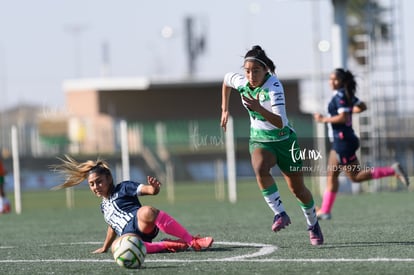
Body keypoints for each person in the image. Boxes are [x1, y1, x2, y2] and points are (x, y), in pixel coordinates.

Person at [220, 45, 323, 246]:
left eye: (256, 71)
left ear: (266, 69)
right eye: (247, 71)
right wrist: (224, 109)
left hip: (285, 142)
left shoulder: (274, 86)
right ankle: (280, 214)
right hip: (260, 141)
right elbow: (226, 80)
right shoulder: (242, 82)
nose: (251, 75)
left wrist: (258, 107)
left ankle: (313, 224)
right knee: (259, 168)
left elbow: (280, 122)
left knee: (298, 189)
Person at [51, 155, 214, 254]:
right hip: (128, 236)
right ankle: (167, 245)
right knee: (118, 247)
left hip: (141, 224)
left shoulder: (123, 188)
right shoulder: (103, 206)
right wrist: (105, 247)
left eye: (99, 182)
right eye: (92, 184)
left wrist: (154, 188)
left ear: (108, 178)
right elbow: (112, 226)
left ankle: (193, 241)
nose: (96, 187)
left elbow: (148, 190)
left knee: (147, 211)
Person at [313, 68, 410, 220]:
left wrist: (323, 119)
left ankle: (392, 171)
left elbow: (344, 117)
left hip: (343, 141)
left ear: (342, 82)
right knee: (331, 176)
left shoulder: (341, 96)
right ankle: (325, 210)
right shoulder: (346, 95)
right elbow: (362, 106)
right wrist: (352, 110)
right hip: (341, 141)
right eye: (330, 79)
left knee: (356, 177)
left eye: (335, 80)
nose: (331, 82)